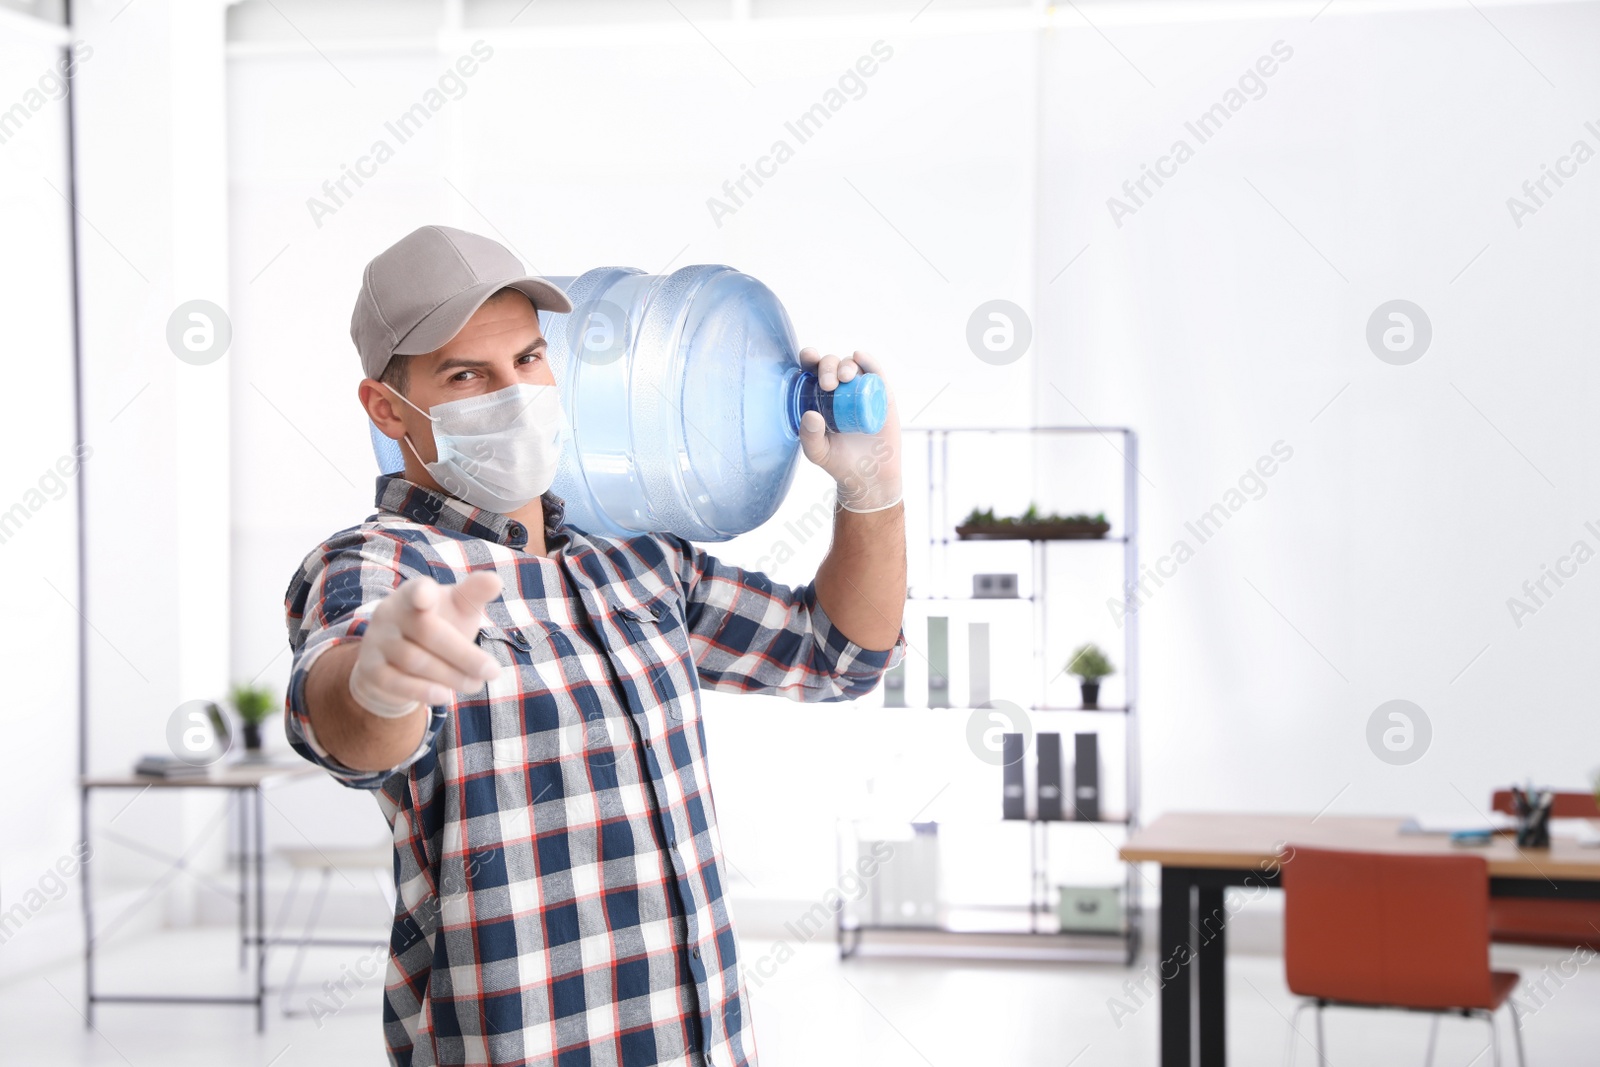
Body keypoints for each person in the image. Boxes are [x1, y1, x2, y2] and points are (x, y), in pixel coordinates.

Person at [283, 224, 907, 1067]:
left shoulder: (638, 562)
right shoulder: (378, 566)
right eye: (467, 375)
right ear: (387, 408)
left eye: (530, 360)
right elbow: (343, 725)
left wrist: (873, 492)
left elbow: (839, 654)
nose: (516, 391)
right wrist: (382, 683)